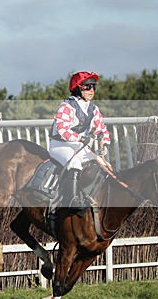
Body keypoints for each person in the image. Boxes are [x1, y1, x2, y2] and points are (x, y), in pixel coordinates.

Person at [48, 71, 111, 215]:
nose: (92, 90)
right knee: (75, 163)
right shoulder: (66, 106)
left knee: (103, 165)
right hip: (60, 145)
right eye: (87, 87)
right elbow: (63, 130)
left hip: (79, 146)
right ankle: (72, 200)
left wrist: (104, 143)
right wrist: (81, 138)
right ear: (78, 88)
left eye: (94, 87)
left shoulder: (93, 109)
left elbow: (101, 129)